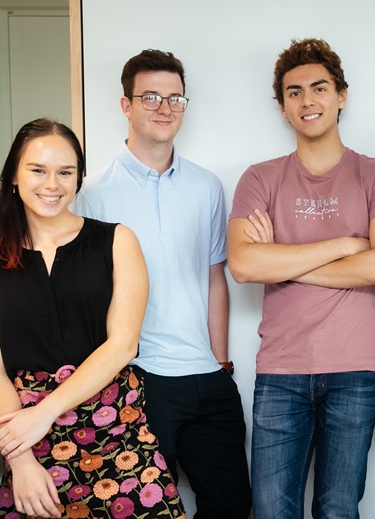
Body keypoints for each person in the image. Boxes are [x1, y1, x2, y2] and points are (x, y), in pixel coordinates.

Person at [227, 38, 375, 518]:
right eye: (294, 92)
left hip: (355, 370)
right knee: (270, 511)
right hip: (280, 371)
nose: (307, 101)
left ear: (341, 95)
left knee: (337, 509)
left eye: (319, 88)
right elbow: (244, 266)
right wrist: (345, 245)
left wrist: (281, 257)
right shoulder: (259, 179)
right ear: (283, 107)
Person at [0, 118, 185, 518]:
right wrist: (20, 463)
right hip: (30, 443)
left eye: (65, 172)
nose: (51, 184)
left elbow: (122, 345)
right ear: (14, 175)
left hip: (117, 436)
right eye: (38, 170)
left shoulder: (117, 241)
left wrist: (45, 412)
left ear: (78, 178)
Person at [74, 49, 251, 518]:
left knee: (232, 506)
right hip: (137, 378)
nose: (164, 107)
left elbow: (215, 276)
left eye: (175, 98)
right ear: (125, 105)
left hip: (207, 378)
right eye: (150, 96)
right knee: (140, 511)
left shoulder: (207, 186)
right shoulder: (91, 194)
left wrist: (221, 362)